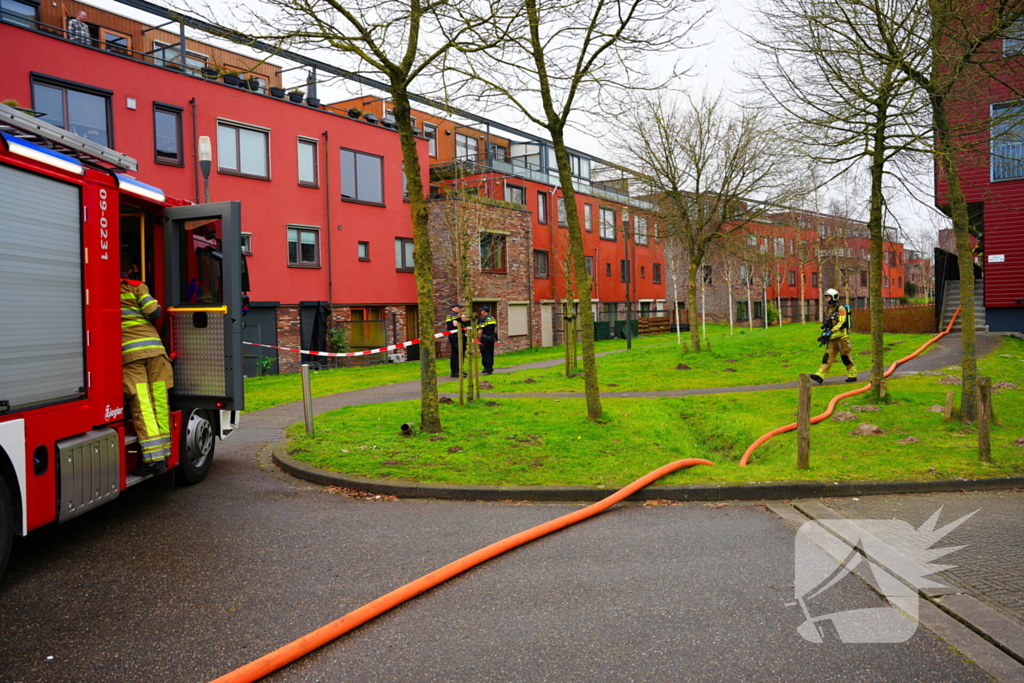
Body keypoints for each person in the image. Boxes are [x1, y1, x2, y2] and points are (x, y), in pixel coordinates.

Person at [120, 252, 175, 475]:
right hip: (155, 353)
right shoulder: (136, 286)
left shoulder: (105, 289)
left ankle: (154, 460)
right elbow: (154, 311)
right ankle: (165, 454)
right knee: (159, 402)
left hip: (130, 356)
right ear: (130, 269)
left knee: (142, 404)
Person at [810, 288, 858, 384]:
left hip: (842, 337)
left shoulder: (841, 308)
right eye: (826, 297)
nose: (826, 299)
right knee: (827, 356)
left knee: (845, 357)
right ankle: (820, 375)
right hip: (832, 338)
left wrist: (831, 331)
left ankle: (852, 375)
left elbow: (841, 322)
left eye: (828, 297)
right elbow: (829, 321)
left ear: (834, 297)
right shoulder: (829, 309)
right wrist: (825, 330)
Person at [444, 304, 468, 378]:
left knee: (455, 354)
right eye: (459, 308)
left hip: (454, 336)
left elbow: (447, 325)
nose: (460, 309)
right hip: (457, 336)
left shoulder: (451, 315)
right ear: (453, 308)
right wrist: (462, 320)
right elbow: (455, 324)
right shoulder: (454, 315)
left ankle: (455, 371)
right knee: (459, 353)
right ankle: (457, 371)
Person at [476, 305, 498, 375]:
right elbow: (495, 330)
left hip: (485, 338)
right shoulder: (492, 318)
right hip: (491, 338)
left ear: (484, 311)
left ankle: (488, 369)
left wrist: (479, 339)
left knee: (485, 353)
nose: (481, 312)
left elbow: (480, 331)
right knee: (490, 353)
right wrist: (496, 338)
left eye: (481, 310)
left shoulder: (483, 319)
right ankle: (489, 367)